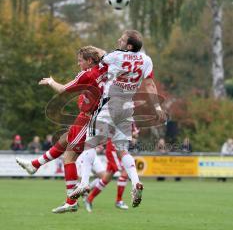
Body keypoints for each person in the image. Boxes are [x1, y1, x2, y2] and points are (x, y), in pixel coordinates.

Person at [16, 46, 127, 213]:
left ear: (89, 61)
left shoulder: (87, 74)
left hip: (90, 118)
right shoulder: (105, 66)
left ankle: (71, 201)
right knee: (65, 140)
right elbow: (104, 53)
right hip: (100, 116)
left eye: (80, 60)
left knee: (69, 156)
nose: (78, 63)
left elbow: (63, 90)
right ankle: (35, 165)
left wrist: (51, 81)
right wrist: (92, 49)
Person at [69, 30, 167, 208]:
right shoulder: (146, 60)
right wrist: (158, 106)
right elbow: (150, 84)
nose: (118, 40)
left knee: (90, 143)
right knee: (123, 150)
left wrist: (91, 50)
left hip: (110, 104)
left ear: (128, 46)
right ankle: (135, 181)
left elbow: (100, 56)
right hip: (128, 107)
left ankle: (84, 183)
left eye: (121, 39)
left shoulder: (116, 56)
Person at [83, 139, 128, 212]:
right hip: (114, 148)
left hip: (118, 148)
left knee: (107, 178)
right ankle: (119, 201)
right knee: (124, 172)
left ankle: (89, 199)